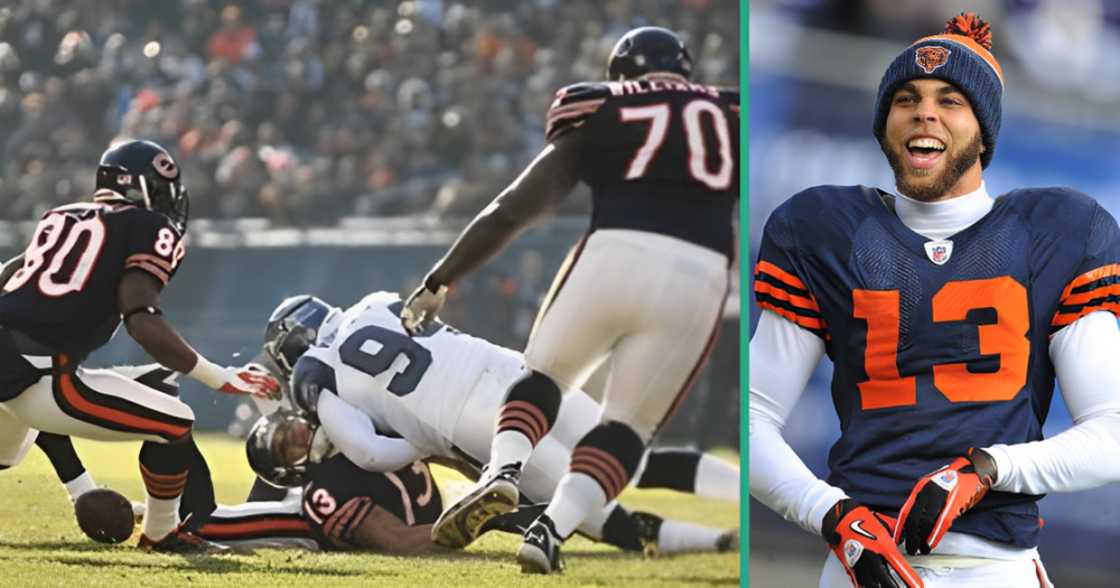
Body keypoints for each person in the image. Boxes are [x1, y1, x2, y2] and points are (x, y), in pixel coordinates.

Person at [749, 13, 1120, 588]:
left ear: (983, 128)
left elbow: (1112, 433)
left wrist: (990, 469)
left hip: (994, 568)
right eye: (906, 97)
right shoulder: (822, 227)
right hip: (863, 565)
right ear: (884, 123)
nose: (924, 111)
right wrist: (831, 514)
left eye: (951, 100)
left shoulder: (1059, 231)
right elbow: (752, 417)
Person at [400, 25, 739, 573]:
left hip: (615, 248)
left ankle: (503, 471)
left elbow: (515, 207)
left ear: (621, 72)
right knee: (625, 429)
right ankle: (550, 529)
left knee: (542, 378)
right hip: (700, 275)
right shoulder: (732, 110)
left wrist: (442, 277)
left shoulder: (598, 104)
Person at [257, 292, 738, 558]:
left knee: (588, 504)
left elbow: (366, 452)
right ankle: (743, 498)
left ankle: (711, 543)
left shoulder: (312, 372)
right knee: (629, 458)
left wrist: (417, 441)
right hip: (516, 372)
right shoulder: (375, 301)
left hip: (472, 422)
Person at [0, 139, 280, 553]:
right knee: (176, 422)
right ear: (142, 188)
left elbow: (12, 272)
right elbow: (141, 321)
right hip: (38, 373)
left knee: (7, 456)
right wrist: (219, 377)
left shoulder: (61, 215)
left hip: (14, 361)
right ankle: (162, 534)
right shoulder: (147, 227)